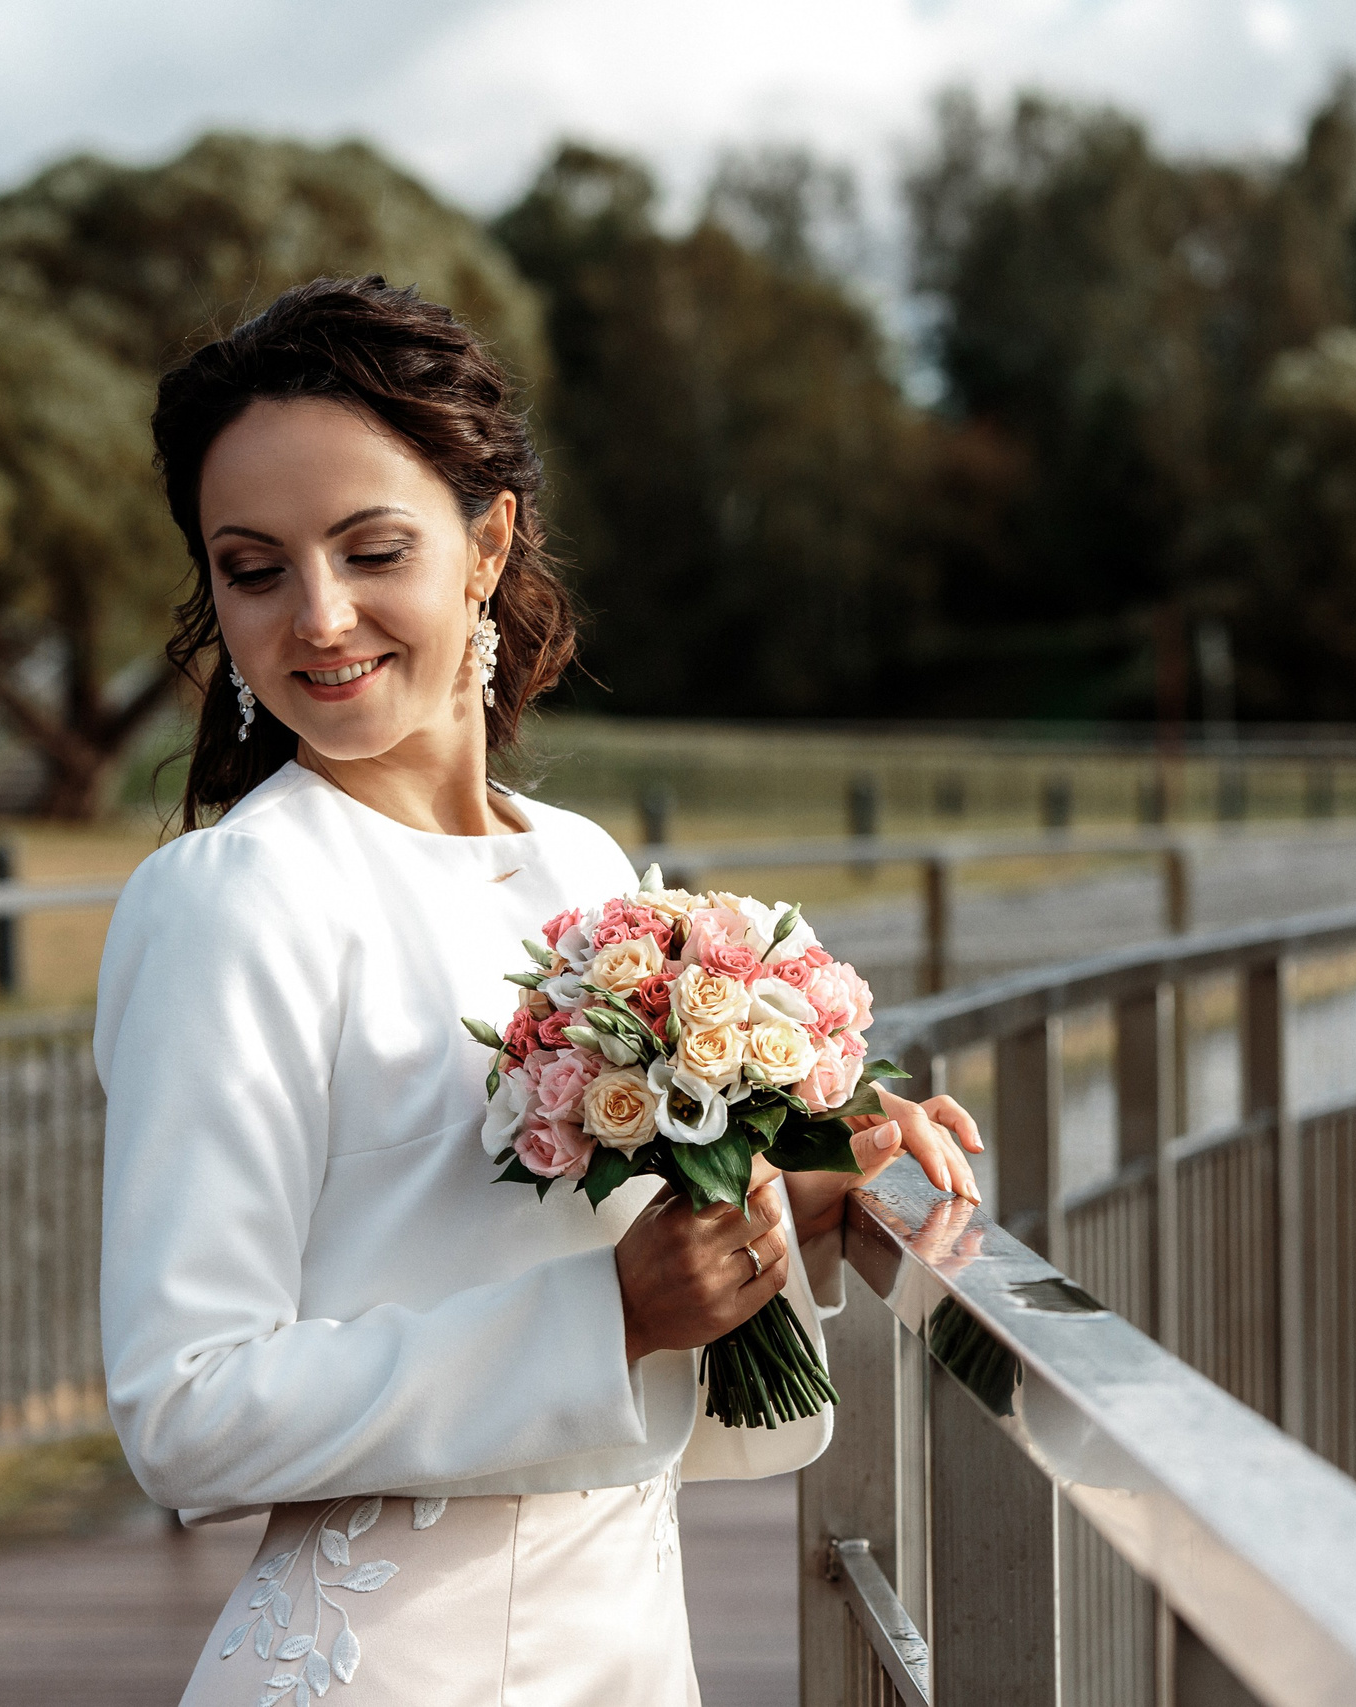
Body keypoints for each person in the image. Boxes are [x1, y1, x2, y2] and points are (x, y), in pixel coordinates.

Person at [94, 275, 983, 1706]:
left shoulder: (579, 867)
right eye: (253, 568)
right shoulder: (232, 902)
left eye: (371, 548)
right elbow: (182, 1409)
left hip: (622, 1642)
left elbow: (603, 1291)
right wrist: (612, 1316)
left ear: (486, 542)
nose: (319, 619)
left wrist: (792, 1196)